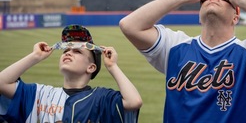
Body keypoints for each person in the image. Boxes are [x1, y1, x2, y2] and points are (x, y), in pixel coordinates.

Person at [0, 24, 142, 123]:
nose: (68, 52)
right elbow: (2, 83)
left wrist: (112, 66)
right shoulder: (40, 94)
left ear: (91, 67)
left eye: (77, 51)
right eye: (66, 50)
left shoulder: (101, 98)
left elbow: (134, 101)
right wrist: (35, 56)